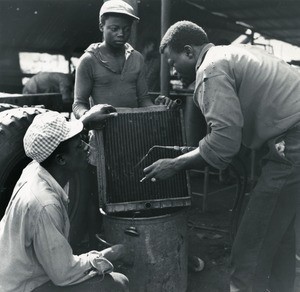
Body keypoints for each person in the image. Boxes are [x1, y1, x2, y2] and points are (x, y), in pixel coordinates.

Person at [143, 20, 300, 292]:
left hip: (293, 142)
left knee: (251, 243)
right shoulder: (230, 54)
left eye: (173, 61)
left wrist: (175, 164)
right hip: (290, 137)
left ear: (190, 52)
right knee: (279, 235)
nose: (172, 69)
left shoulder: (210, 70)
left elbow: (224, 143)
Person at [0, 108, 129, 292]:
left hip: (15, 273)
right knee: (118, 283)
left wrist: (84, 121)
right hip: (23, 287)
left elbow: (54, 142)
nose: (86, 146)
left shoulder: (37, 166)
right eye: (79, 146)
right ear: (61, 159)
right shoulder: (44, 204)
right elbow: (64, 275)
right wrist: (111, 254)